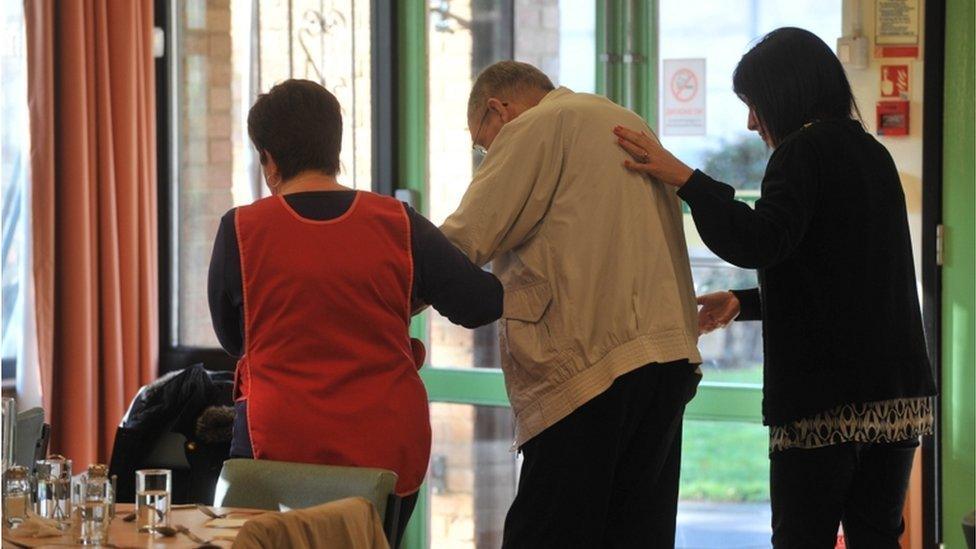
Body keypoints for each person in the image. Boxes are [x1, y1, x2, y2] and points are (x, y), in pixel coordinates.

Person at [613, 27, 937, 548]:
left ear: (784, 93)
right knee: (877, 537)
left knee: (800, 538)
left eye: (754, 103)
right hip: (897, 393)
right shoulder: (870, 153)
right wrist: (742, 301)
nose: (750, 120)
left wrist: (686, 180)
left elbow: (760, 241)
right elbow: (841, 275)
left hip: (826, 400)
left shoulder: (801, 151)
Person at [207, 79, 503, 546]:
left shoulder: (241, 229)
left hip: (275, 445)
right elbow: (480, 304)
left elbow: (234, 339)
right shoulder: (398, 223)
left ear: (269, 160)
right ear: (335, 147)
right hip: (383, 448)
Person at [439, 61, 702, 548]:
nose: (487, 156)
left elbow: (462, 242)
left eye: (483, 144)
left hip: (588, 368)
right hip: (667, 362)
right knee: (634, 534)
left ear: (500, 110)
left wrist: (386, 280)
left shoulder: (532, 126)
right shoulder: (626, 120)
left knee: (547, 533)